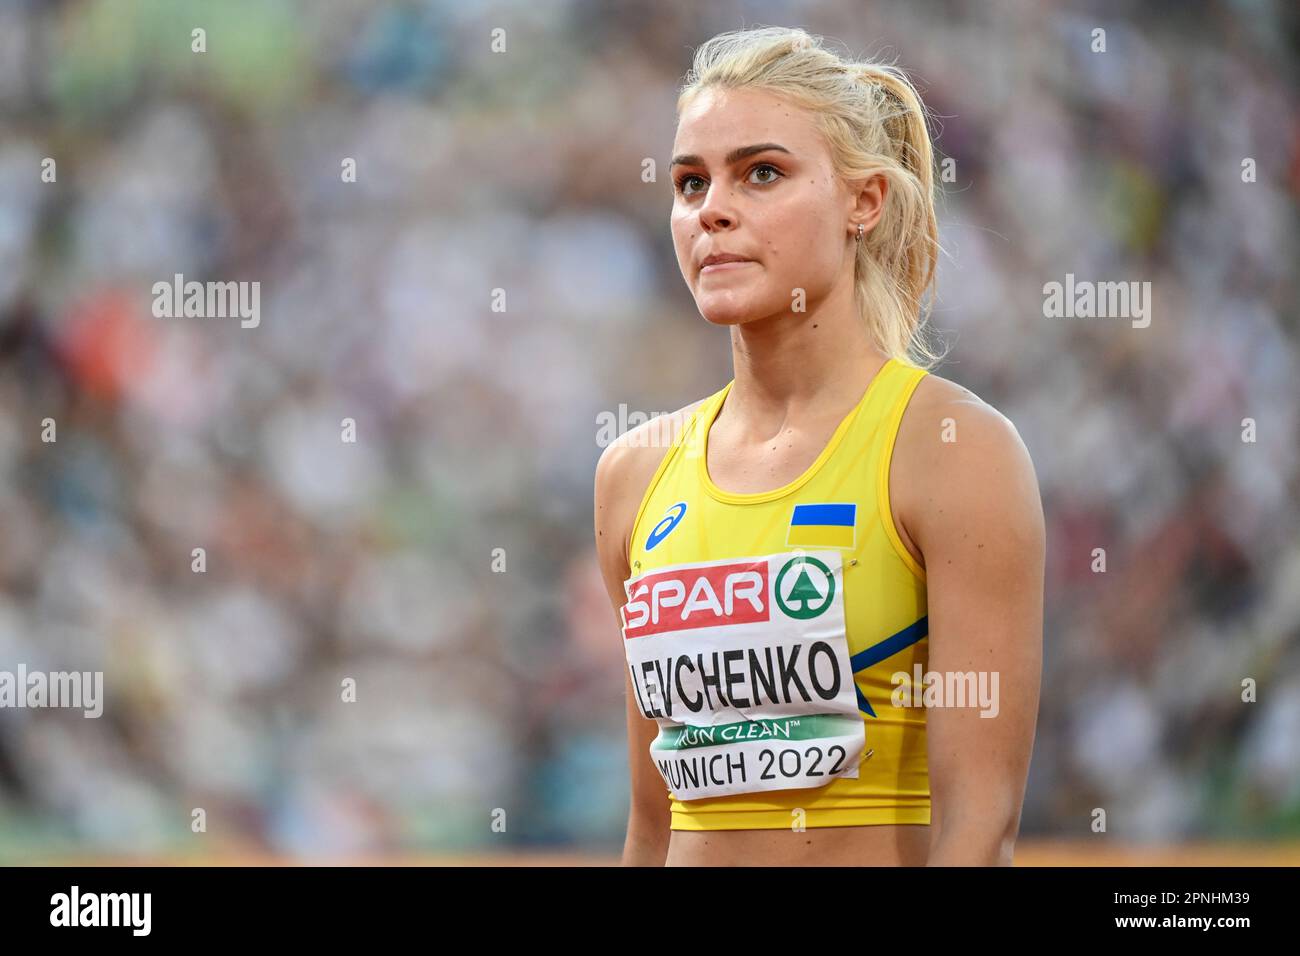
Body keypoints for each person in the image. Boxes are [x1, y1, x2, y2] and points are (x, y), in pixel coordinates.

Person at [593, 26, 1044, 866]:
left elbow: (978, 827)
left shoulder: (952, 450)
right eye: (690, 183)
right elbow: (652, 827)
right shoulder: (633, 474)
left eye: (761, 172)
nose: (712, 209)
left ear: (863, 202)